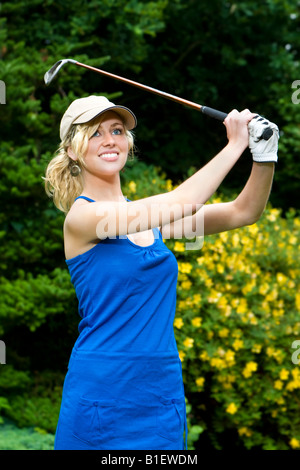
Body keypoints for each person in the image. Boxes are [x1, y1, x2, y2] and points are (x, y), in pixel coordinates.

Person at [44, 95, 279, 450]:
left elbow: (242, 213)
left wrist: (264, 157)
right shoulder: (82, 219)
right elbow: (184, 201)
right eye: (95, 133)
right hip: (101, 392)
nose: (109, 140)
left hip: (159, 391)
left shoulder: (154, 222)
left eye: (117, 130)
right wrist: (235, 145)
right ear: (74, 151)